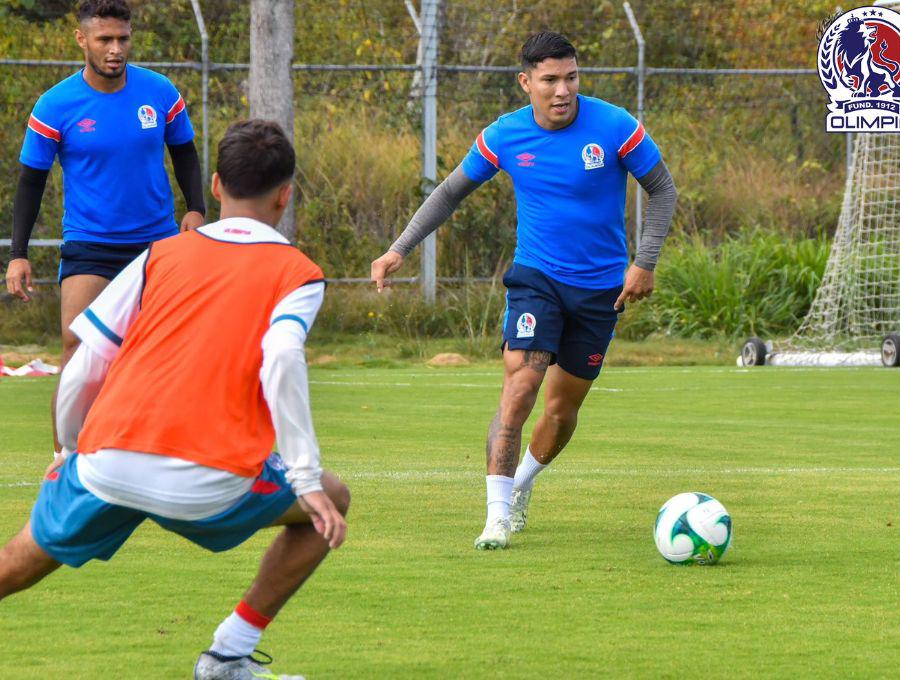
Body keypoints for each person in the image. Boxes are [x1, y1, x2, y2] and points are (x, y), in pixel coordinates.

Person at [0, 119, 346, 680]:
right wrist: (305, 478)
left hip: (106, 463)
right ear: (286, 195)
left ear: (213, 186)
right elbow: (282, 356)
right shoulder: (298, 272)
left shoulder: (160, 254)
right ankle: (227, 657)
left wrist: (67, 449)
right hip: (209, 482)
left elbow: (86, 360)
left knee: (18, 561)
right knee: (329, 500)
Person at [370, 31, 677, 549]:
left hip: (602, 289)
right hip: (536, 277)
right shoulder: (505, 136)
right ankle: (495, 517)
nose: (563, 91)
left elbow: (662, 188)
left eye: (571, 77)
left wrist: (644, 263)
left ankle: (521, 487)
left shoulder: (616, 126)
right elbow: (449, 193)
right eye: (550, 80)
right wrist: (399, 248)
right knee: (521, 384)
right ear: (526, 82)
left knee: (561, 412)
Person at [4, 0, 206, 459]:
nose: (116, 49)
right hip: (89, 244)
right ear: (82, 40)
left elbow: (186, 155)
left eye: (123, 39)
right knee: (76, 348)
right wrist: (18, 253)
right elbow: (30, 182)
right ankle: (62, 461)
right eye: (105, 40)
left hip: (157, 244)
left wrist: (196, 208)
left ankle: (164, 451)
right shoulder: (55, 105)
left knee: (166, 351)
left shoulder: (159, 92)